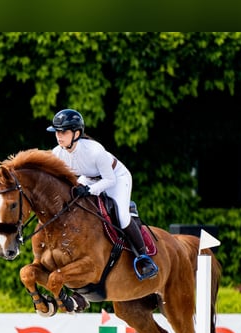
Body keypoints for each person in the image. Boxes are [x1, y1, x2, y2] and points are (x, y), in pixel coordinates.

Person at [46, 108, 158, 280]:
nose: (59, 136)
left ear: (76, 133)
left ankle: (143, 258)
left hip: (116, 178)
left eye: (63, 132)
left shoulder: (95, 150)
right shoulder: (57, 153)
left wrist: (90, 190)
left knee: (121, 216)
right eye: (57, 132)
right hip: (88, 178)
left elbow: (109, 180)